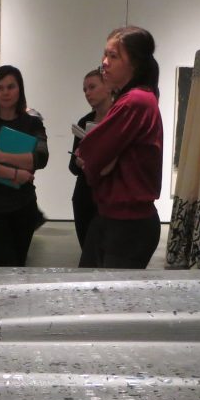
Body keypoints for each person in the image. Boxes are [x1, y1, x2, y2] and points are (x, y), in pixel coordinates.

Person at [76, 27, 163, 268]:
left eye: (114, 56)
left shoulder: (136, 101)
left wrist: (100, 161)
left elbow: (90, 153)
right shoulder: (133, 99)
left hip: (128, 224)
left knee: (108, 302)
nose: (105, 62)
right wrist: (101, 160)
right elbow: (92, 156)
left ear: (134, 62)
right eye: (105, 55)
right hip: (114, 218)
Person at [0, 66, 48, 267]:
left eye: (10, 87)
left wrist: (2, 156)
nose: (5, 92)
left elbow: (41, 158)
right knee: (5, 265)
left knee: (19, 265)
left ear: (19, 89)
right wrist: (16, 173)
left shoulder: (33, 124)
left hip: (24, 205)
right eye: (0, 87)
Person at [69, 69, 114, 250]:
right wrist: (80, 161)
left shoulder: (120, 118)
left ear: (108, 87)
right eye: (85, 90)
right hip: (85, 196)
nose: (87, 93)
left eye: (92, 87)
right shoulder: (84, 122)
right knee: (88, 253)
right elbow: (72, 166)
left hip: (111, 194)